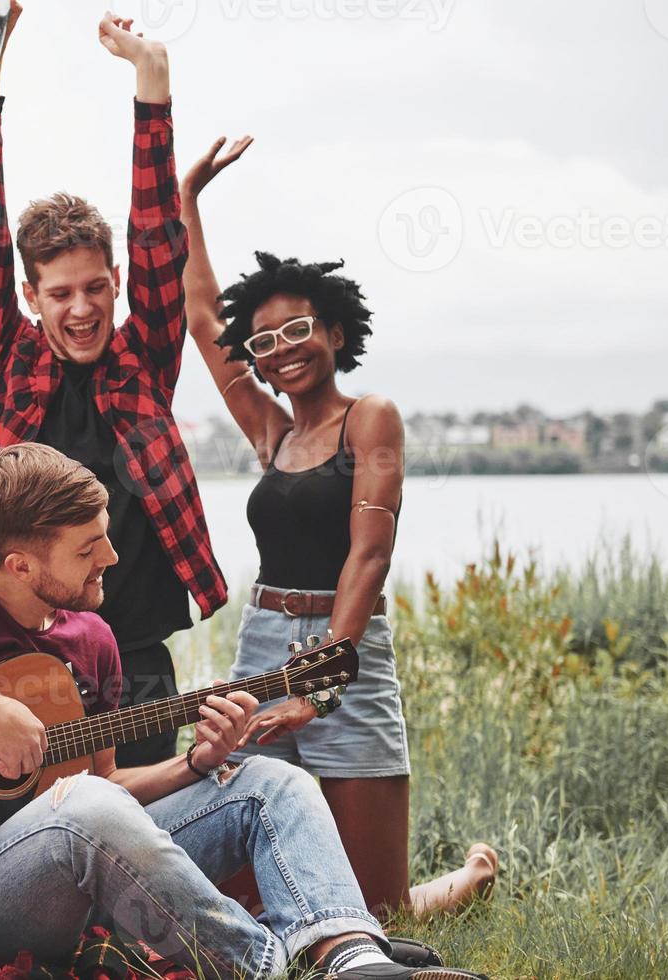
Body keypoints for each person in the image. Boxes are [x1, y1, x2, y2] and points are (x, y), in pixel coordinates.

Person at [0, 442, 486, 979]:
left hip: (90, 865)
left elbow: (112, 788)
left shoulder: (90, 637)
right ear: (19, 565)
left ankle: (352, 957)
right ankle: (269, 964)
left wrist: (197, 762)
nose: (114, 556)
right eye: (88, 546)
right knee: (81, 808)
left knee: (268, 781)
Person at [177, 143, 497, 916]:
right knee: (246, 884)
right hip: (263, 641)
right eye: (264, 341)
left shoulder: (371, 417)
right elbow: (197, 316)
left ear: (335, 331)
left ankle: (468, 882)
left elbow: (369, 555)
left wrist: (320, 687)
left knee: (379, 912)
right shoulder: (272, 434)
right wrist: (185, 200)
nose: (281, 350)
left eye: (297, 331)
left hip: (347, 649)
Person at [0, 0, 227, 767]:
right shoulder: (8, 361)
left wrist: (152, 85)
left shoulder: (144, 362)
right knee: (39, 838)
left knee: (142, 834)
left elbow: (159, 234)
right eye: (61, 293)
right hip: (18, 647)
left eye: (95, 288)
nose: (81, 309)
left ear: (117, 283)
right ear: (31, 297)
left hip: (133, 655)